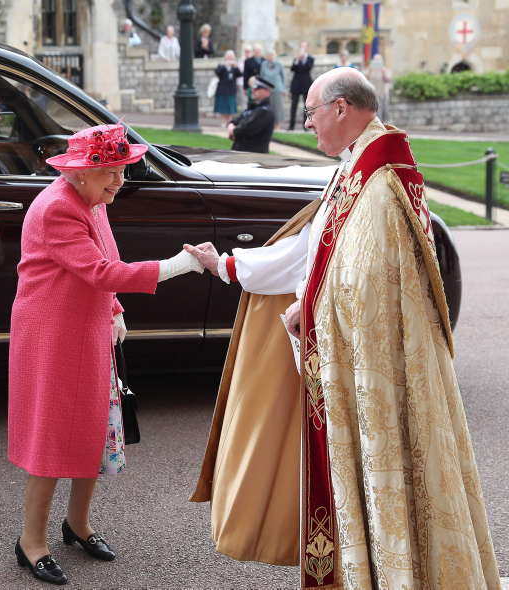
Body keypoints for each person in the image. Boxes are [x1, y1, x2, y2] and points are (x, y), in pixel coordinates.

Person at [185, 67, 501, 589]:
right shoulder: (357, 168)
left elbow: (365, 291)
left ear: (341, 109)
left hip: (378, 376)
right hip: (350, 370)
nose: (306, 122)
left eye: (310, 112)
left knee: (392, 484)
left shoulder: (380, 187)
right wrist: (229, 266)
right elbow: (313, 250)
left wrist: (306, 311)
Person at [9, 122, 203, 585]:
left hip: (84, 327)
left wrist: (114, 309)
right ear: (79, 173)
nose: (119, 181)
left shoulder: (91, 199)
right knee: (53, 436)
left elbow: (103, 261)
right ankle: (30, 542)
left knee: (93, 428)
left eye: (121, 170)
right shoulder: (59, 207)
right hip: (53, 335)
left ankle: (77, 525)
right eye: (111, 172)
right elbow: (100, 269)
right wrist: (178, 265)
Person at [227, 77, 275, 154]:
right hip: (243, 154)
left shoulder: (265, 111)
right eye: (253, 88)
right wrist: (231, 124)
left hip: (253, 156)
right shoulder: (253, 108)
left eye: (257, 89)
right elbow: (238, 120)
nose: (253, 90)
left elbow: (246, 128)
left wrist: (233, 130)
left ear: (266, 92)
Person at [213, 50, 243, 127]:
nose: (230, 58)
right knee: (222, 107)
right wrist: (224, 66)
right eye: (229, 57)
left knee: (230, 107)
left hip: (231, 89)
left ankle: (230, 121)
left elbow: (240, 74)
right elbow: (217, 72)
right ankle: (223, 122)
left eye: (231, 57)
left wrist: (236, 67)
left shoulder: (235, 66)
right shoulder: (222, 64)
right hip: (222, 89)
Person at [258, 49, 286, 130]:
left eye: (271, 55)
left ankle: (277, 125)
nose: (270, 57)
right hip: (267, 89)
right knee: (267, 108)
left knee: (278, 108)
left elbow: (283, 77)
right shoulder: (263, 64)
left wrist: (284, 89)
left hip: (277, 89)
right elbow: (262, 77)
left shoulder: (279, 64)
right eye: (268, 55)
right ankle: (268, 125)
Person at [288, 40, 313, 130]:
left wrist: (304, 59)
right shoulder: (296, 59)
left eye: (304, 47)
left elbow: (309, 68)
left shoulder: (310, 59)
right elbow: (293, 69)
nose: (303, 49)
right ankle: (291, 125)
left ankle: (305, 125)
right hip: (296, 85)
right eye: (301, 47)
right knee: (293, 105)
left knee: (306, 106)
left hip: (306, 85)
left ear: (307, 48)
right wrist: (298, 60)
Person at [364, 53, 391, 122]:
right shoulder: (369, 69)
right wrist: (369, 71)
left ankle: (382, 128)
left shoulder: (384, 70)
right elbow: (364, 79)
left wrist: (384, 72)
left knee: (383, 113)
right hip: (372, 95)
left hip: (382, 95)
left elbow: (388, 80)